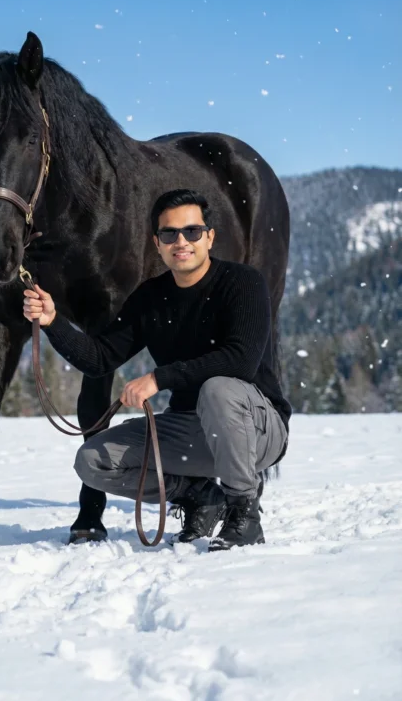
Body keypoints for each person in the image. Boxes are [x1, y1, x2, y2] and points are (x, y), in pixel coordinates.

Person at [23, 189, 291, 550]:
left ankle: (244, 513)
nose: (181, 241)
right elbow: (99, 358)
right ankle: (198, 495)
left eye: (192, 231)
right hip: (191, 429)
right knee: (92, 461)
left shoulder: (243, 283)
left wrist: (158, 378)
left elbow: (239, 361)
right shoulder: (150, 297)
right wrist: (53, 321)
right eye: (169, 234)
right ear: (157, 243)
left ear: (210, 236)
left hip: (257, 426)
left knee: (218, 389)